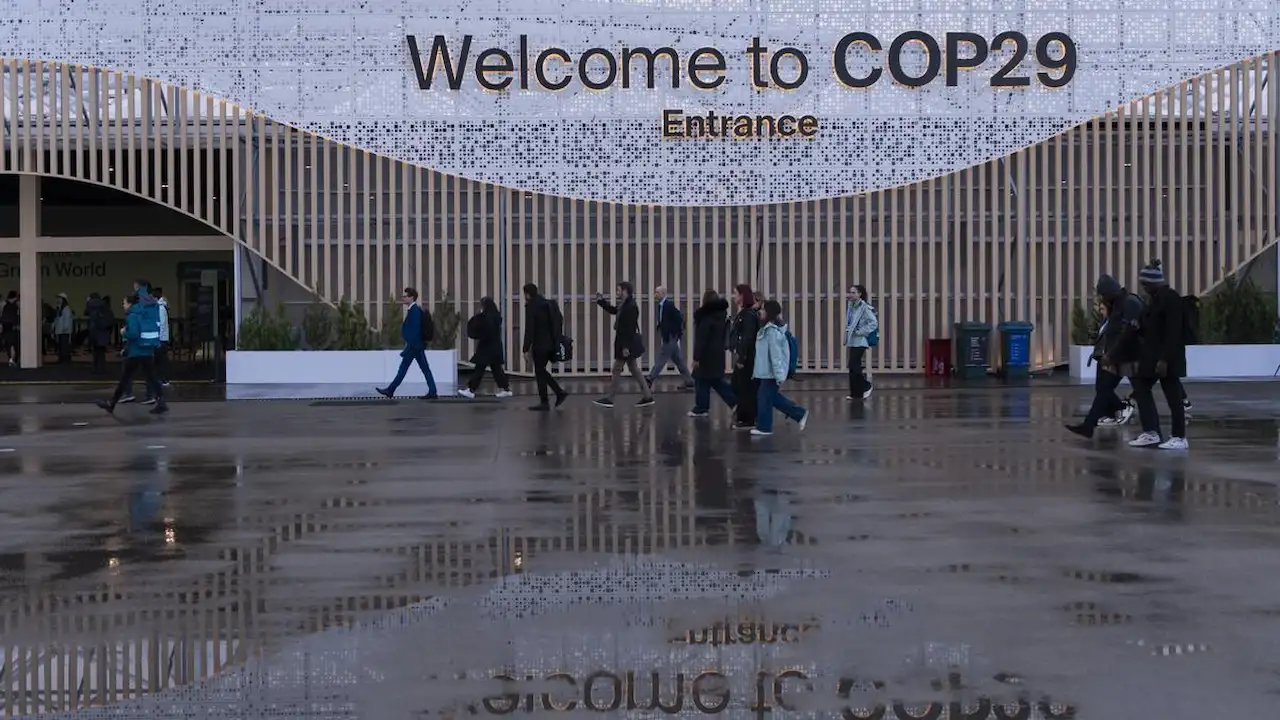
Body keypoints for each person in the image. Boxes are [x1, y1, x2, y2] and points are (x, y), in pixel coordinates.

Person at [1065, 275, 1143, 438]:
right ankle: (1090, 425)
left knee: (1142, 393)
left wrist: (1111, 354)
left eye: (1103, 295)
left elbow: (1127, 332)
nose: (1102, 299)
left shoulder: (1129, 303)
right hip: (1118, 356)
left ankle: (1151, 429)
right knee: (1103, 389)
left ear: (1111, 292)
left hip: (1129, 356)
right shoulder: (1117, 305)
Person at [1128, 260, 1188, 450]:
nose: (1144, 288)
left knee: (1173, 397)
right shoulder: (1155, 300)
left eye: (1145, 284)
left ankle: (1179, 437)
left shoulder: (1171, 299)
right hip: (1152, 357)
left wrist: (1164, 359)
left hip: (1167, 358)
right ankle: (1151, 432)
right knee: (1141, 388)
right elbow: (1149, 326)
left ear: (1154, 282)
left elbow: (1173, 332)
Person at [96, 293, 167, 415]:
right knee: (152, 377)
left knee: (125, 378)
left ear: (130, 304)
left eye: (124, 303)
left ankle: (111, 404)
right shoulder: (144, 313)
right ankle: (161, 402)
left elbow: (133, 334)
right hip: (147, 350)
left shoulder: (133, 315)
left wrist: (124, 332)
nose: (123, 306)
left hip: (136, 352)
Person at [593, 281, 655, 409]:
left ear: (625, 291)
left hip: (625, 344)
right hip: (626, 344)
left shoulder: (631, 306)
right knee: (634, 370)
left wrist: (625, 347)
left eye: (618, 290)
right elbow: (614, 310)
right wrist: (601, 302)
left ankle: (610, 398)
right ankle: (648, 396)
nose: (617, 293)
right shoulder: (625, 304)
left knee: (616, 370)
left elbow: (629, 328)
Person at [751, 299, 809, 436]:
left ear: (769, 313)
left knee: (765, 398)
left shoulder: (771, 331)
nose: (761, 312)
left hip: (771, 373)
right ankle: (799, 413)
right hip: (766, 372)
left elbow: (776, 356)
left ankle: (764, 427)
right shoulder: (767, 329)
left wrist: (779, 376)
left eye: (763, 310)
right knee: (771, 398)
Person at [375, 287, 439, 400]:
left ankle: (390, 390)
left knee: (404, 368)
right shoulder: (413, 310)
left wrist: (409, 347)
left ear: (411, 297)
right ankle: (432, 391)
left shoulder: (414, 311)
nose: (403, 298)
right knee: (424, 369)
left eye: (405, 296)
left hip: (414, 346)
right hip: (416, 345)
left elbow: (415, 331)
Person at [688, 289, 736, 418]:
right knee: (716, 380)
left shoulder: (705, 317)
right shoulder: (721, 315)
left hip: (706, 355)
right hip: (718, 353)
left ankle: (701, 407)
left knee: (701, 379)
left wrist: (696, 357)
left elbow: (701, 339)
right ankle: (735, 402)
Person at [521, 283, 568, 411]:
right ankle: (556, 394)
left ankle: (547, 400)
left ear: (527, 294)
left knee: (539, 371)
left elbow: (529, 329)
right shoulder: (548, 304)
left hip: (540, 345)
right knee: (541, 371)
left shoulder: (532, 306)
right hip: (551, 343)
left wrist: (525, 348)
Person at [459, 296, 512, 399]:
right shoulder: (495, 316)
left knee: (479, 369)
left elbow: (484, 330)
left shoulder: (487, 317)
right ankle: (506, 389)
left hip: (487, 347)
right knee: (496, 369)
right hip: (494, 347)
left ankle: (470, 389)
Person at [646, 285, 694, 389]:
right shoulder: (661, 305)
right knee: (679, 360)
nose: (655, 294)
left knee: (662, 357)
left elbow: (679, 318)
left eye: (657, 292)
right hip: (668, 336)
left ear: (663, 294)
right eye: (655, 292)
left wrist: (676, 332)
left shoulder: (668, 305)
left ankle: (650, 378)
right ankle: (690, 381)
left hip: (670, 337)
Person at [728, 284, 761, 431]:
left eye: (735, 294)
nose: (733, 296)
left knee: (745, 388)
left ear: (742, 296)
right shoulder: (744, 313)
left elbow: (747, 338)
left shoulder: (748, 315)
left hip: (748, 358)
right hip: (744, 356)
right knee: (737, 384)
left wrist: (742, 357)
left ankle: (747, 418)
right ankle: (744, 414)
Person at [843, 284, 878, 400]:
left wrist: (861, 331)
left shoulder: (864, 307)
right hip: (852, 340)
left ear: (860, 294)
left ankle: (866, 386)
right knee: (852, 367)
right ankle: (855, 393)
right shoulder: (851, 306)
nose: (850, 295)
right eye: (850, 292)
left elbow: (873, 323)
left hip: (861, 341)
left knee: (855, 365)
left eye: (853, 292)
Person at [84, 292, 113, 374]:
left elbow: (86, 313)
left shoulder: (90, 305)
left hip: (95, 331)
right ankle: (101, 368)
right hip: (103, 332)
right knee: (101, 352)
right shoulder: (104, 306)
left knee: (96, 352)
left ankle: (96, 368)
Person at [53, 293, 74, 363]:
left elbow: (67, 319)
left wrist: (65, 328)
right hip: (59, 330)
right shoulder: (59, 308)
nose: (58, 300)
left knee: (64, 346)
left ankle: (65, 359)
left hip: (64, 331)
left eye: (59, 298)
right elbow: (57, 319)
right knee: (61, 346)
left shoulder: (66, 309)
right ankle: (62, 358)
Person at [1, 291, 18, 367]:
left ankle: (10, 359)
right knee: (14, 344)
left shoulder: (5, 306)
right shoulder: (15, 306)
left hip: (6, 327)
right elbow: (16, 317)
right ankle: (12, 359)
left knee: (8, 344)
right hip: (12, 327)